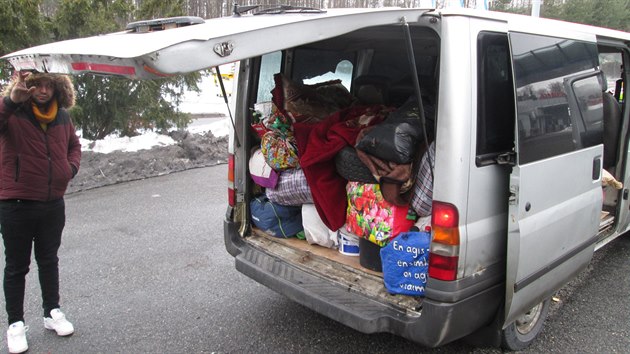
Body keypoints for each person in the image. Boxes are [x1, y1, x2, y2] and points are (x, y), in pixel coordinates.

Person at [0, 71, 81, 353]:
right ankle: (16, 324)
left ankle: (52, 313)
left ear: (57, 88)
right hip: (16, 203)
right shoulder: (13, 112)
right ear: (28, 87)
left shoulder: (62, 117)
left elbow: (74, 146)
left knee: (48, 260)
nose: (43, 90)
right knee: (16, 266)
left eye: (49, 85)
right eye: (37, 85)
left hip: (52, 202)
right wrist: (11, 101)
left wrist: (68, 169)